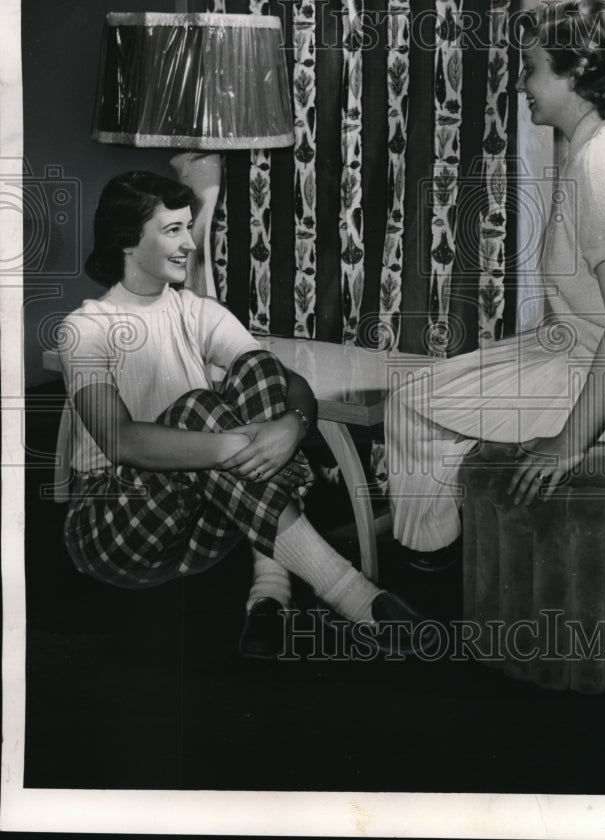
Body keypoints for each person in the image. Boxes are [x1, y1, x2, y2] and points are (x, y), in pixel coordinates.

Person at [59, 171, 427, 658]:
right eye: (172, 230)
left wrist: (291, 426)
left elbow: (284, 381)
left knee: (257, 365)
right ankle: (349, 593)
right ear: (127, 239)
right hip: (116, 529)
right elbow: (121, 440)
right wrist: (238, 446)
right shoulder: (85, 328)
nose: (189, 243)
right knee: (198, 409)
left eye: (188, 227)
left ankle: (271, 588)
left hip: (203, 527)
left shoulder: (197, 310)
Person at [386, 0, 605, 566]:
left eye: (531, 68)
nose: (520, 83)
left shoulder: (600, 166)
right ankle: (456, 541)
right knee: (426, 388)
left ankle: (428, 564)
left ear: (577, 72)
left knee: (408, 406)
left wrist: (567, 445)